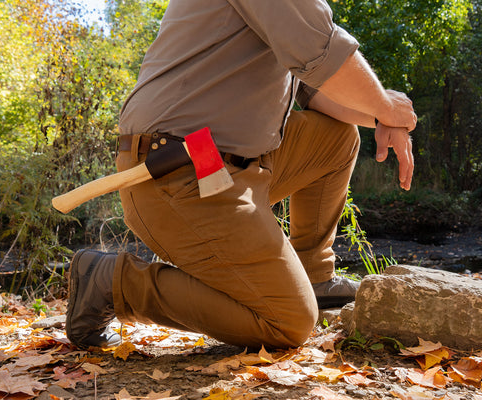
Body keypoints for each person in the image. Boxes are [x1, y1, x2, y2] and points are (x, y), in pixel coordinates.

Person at [65, 0, 416, 350]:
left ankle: (315, 278)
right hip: (177, 167)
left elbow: (318, 91)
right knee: (289, 322)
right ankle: (114, 282)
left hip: (225, 160)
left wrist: (382, 117)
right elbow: (322, 54)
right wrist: (386, 107)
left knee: (335, 139)